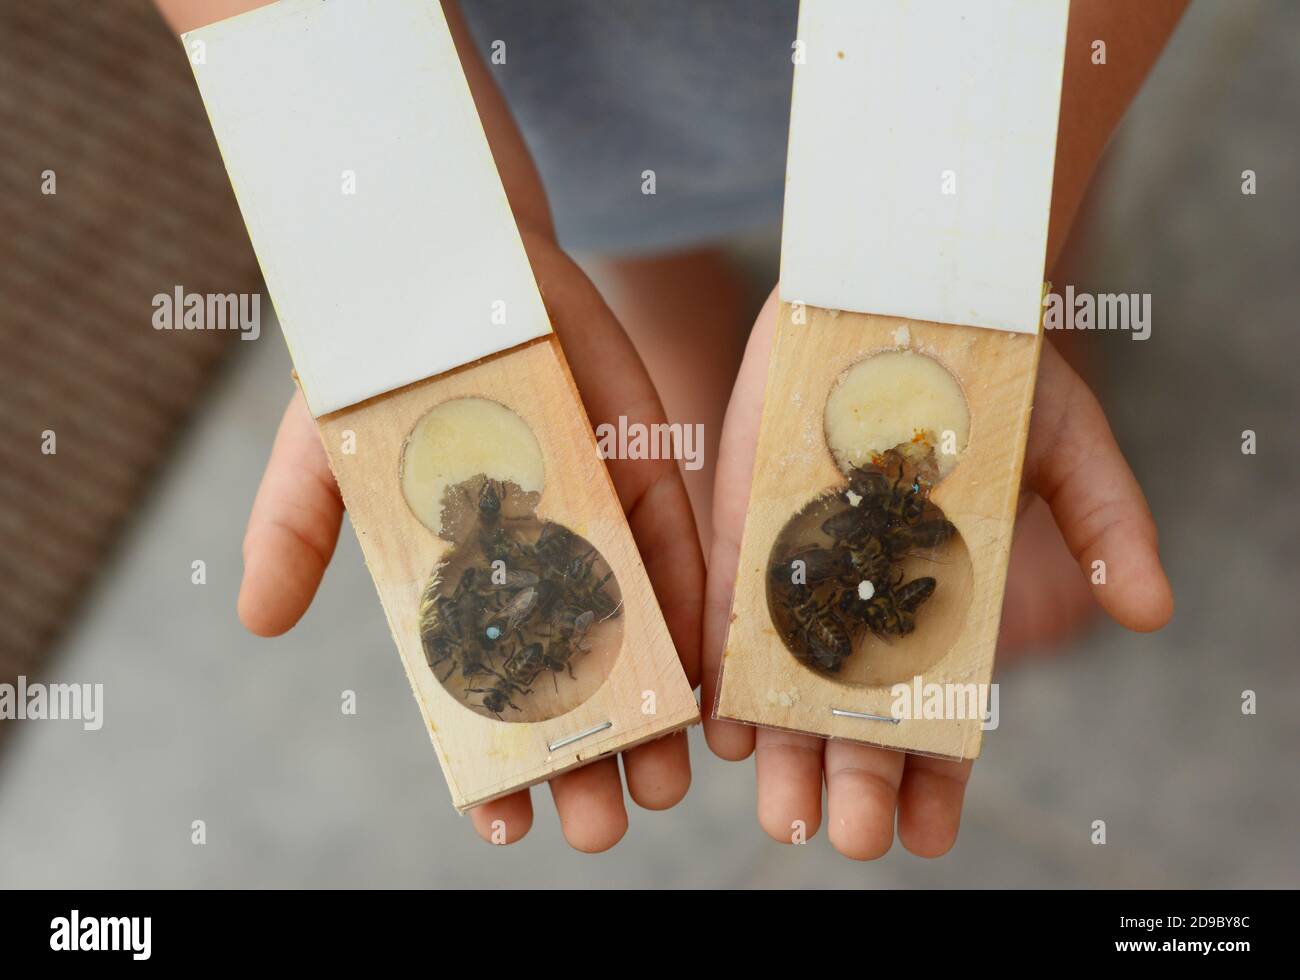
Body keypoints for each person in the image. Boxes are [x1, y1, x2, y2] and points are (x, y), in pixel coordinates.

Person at [158, 0, 1182, 858]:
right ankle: (663, 316)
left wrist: (969, 267)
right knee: (620, 184)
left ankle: (1013, 318)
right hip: (549, 60)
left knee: (995, 171)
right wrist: (420, 244)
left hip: (979, 39)